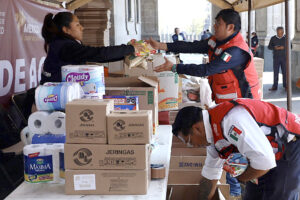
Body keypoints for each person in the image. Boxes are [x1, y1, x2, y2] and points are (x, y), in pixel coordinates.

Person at [172, 98, 300, 200]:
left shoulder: (231, 122)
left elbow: (265, 162)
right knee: (252, 195)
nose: (192, 146)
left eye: (189, 141)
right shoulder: (212, 136)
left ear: (197, 128)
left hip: (290, 144)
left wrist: (241, 178)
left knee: (279, 194)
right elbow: (210, 175)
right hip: (265, 152)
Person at [147, 9, 261, 104]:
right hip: (226, 101)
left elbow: (206, 69)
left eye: (218, 23)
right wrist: (162, 45)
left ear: (230, 28)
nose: (214, 26)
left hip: (245, 102)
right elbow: (192, 46)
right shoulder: (216, 41)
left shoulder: (235, 50)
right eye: (215, 23)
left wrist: (175, 67)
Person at [40, 12, 144, 84]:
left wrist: (127, 53)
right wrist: (129, 48)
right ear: (66, 30)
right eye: (77, 25)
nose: (82, 28)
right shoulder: (65, 47)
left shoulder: (62, 44)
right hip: (55, 99)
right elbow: (98, 54)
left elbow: (99, 56)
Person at [268, 27, 286, 91]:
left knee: (285, 72)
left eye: (281, 33)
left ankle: (285, 85)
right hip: (276, 58)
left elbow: (290, 46)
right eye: (278, 33)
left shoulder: (286, 38)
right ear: (276, 32)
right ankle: (275, 86)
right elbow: (269, 47)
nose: (280, 34)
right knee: (276, 72)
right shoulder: (273, 38)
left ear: (283, 32)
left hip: (284, 58)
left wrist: (284, 47)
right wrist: (274, 48)